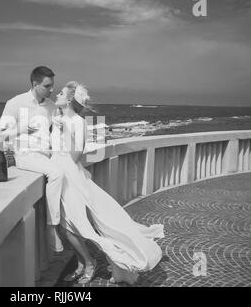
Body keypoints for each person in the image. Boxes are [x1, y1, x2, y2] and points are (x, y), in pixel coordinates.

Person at [50, 81, 165, 285]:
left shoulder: (77, 122)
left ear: (68, 99)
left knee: (72, 228)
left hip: (72, 178)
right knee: (66, 226)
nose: (56, 94)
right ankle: (81, 263)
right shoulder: (57, 118)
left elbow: (75, 156)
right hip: (59, 175)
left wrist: (64, 131)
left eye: (60, 92)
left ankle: (89, 263)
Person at [0, 66, 64, 252]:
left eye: (52, 86)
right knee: (57, 174)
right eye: (47, 86)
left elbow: (57, 132)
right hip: (25, 155)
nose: (52, 90)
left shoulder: (51, 106)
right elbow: (1, 134)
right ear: (35, 84)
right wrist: (22, 129)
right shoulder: (15, 103)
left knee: (68, 172)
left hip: (47, 155)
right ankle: (52, 227)